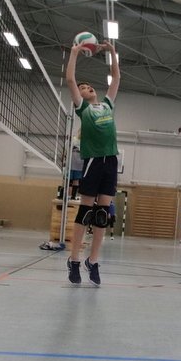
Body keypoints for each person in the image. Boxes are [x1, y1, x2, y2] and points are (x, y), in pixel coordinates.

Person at [65, 38, 120, 286]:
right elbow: (70, 80)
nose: (88, 88)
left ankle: (93, 261)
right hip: (93, 162)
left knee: (102, 215)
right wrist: (75, 53)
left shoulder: (107, 104)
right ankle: (75, 259)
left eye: (89, 87)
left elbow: (116, 78)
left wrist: (112, 53)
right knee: (86, 212)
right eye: (83, 88)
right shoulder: (82, 109)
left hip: (111, 161)